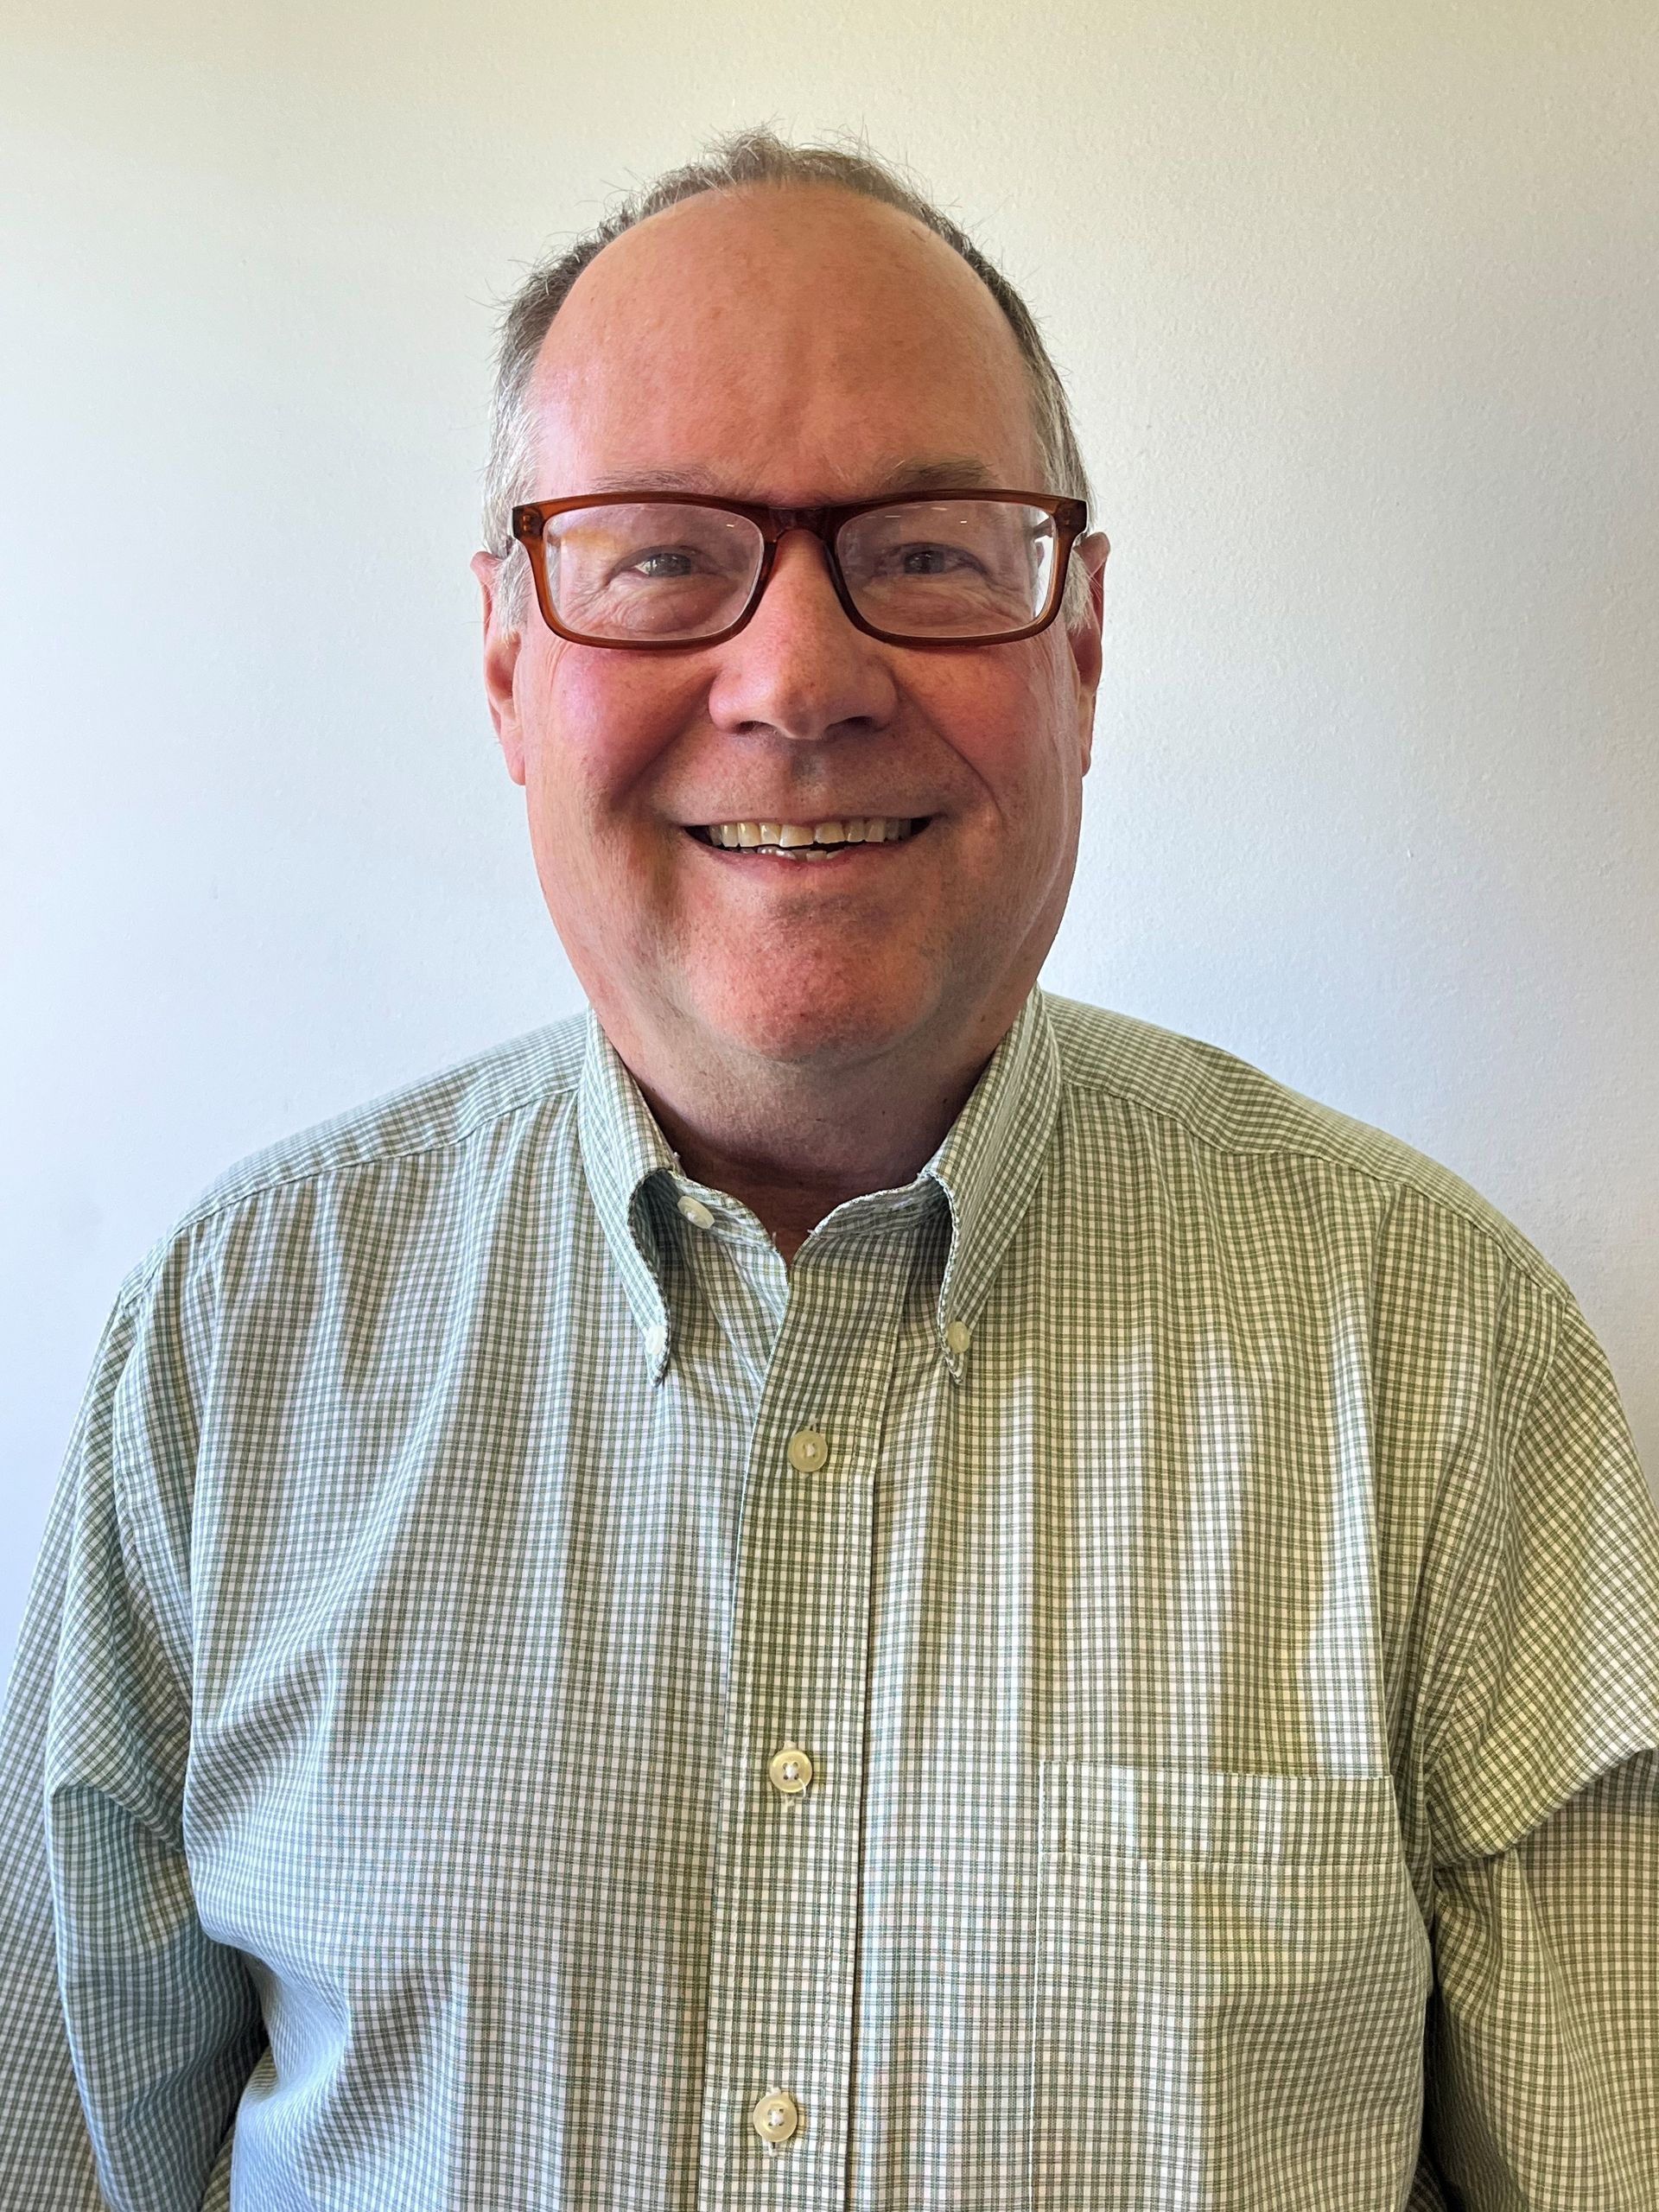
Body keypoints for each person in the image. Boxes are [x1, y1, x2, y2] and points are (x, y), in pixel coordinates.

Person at [2, 125, 1656, 2212]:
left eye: (933, 547)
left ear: (1082, 641)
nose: (794, 681)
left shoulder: (1440, 1361)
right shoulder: (224, 1360)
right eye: (665, 556)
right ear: (510, 656)